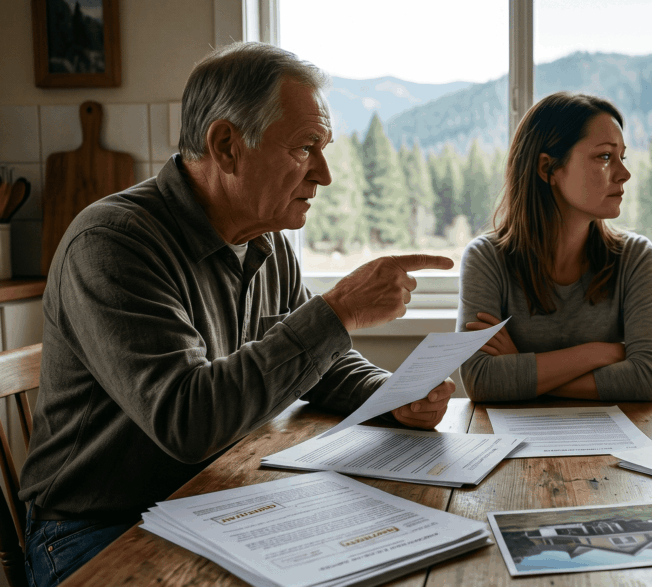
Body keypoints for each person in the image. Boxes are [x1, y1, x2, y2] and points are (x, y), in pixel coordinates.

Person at [18, 42, 455, 585]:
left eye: (325, 148)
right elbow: (188, 420)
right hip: (96, 525)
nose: (324, 173)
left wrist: (393, 395)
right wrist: (339, 308)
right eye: (305, 147)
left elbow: (314, 359)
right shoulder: (112, 243)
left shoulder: (266, 240)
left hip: (212, 498)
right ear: (226, 146)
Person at [458, 92, 652, 401]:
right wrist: (600, 353)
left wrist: (522, 367)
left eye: (622, 157)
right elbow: (481, 380)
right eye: (605, 157)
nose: (624, 173)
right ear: (548, 168)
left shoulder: (635, 257)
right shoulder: (486, 258)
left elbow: (647, 378)